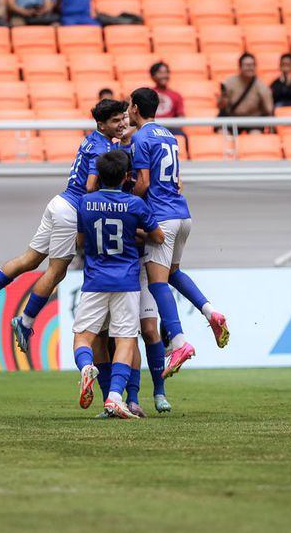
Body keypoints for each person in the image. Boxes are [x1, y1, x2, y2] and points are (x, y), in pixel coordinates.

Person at [0, 100, 129, 353]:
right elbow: (89, 187)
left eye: (123, 118)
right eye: (116, 121)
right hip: (71, 210)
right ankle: (25, 320)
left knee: (30, 259)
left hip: (59, 201)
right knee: (56, 272)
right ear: (101, 124)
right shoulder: (102, 148)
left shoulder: (94, 139)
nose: (121, 124)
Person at [130, 88, 230, 378]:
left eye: (128, 106)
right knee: (173, 272)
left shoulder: (140, 138)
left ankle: (178, 341)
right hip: (183, 214)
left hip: (162, 218)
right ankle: (211, 312)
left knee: (156, 280)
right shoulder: (168, 135)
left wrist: (125, 202)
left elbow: (144, 183)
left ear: (134, 108)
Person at [74, 150, 164, 419]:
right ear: (127, 177)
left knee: (84, 337)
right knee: (125, 340)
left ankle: (86, 367)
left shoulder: (85, 203)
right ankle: (115, 397)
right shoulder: (135, 205)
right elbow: (158, 237)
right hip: (126, 280)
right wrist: (135, 232)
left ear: (99, 176)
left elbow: (80, 243)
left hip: (94, 280)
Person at [217, 53, 273, 133]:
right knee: (222, 133)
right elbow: (220, 106)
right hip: (232, 117)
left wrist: (264, 96)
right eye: (247, 65)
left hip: (253, 120)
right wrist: (223, 96)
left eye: (252, 65)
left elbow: (269, 109)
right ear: (240, 67)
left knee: (255, 135)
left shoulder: (262, 85)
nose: (250, 68)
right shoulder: (229, 82)